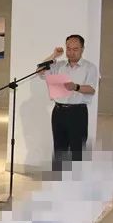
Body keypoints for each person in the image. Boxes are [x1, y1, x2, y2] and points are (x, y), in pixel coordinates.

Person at [39, 35, 98, 170]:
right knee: (59, 148)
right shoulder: (59, 65)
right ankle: (59, 177)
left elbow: (91, 89)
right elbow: (40, 71)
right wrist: (54, 55)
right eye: (69, 49)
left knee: (77, 149)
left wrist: (75, 87)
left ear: (82, 49)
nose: (71, 52)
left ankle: (77, 178)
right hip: (58, 111)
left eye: (75, 49)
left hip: (77, 112)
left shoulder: (90, 67)